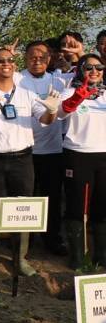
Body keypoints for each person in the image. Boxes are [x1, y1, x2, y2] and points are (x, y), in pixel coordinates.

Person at [0, 47, 57, 274]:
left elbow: (45, 118)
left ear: (14, 66)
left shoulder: (26, 93)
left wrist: (53, 111)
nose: (6, 64)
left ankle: (20, 258)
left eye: (10, 60)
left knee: (22, 208)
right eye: (0, 61)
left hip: (21, 159)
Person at [20, 41, 69, 255]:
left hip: (52, 150)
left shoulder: (60, 80)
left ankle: (52, 239)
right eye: (32, 56)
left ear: (49, 59)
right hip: (24, 149)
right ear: (25, 58)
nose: (37, 60)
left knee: (52, 197)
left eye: (42, 57)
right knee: (25, 197)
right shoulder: (16, 78)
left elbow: (87, 73)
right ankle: (24, 241)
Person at [58, 54, 106, 268]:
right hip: (77, 154)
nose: (94, 71)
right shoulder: (69, 91)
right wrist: (76, 99)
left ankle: (101, 255)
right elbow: (59, 114)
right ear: (80, 70)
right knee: (78, 205)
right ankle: (78, 256)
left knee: (102, 206)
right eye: (89, 68)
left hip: (103, 155)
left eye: (99, 67)